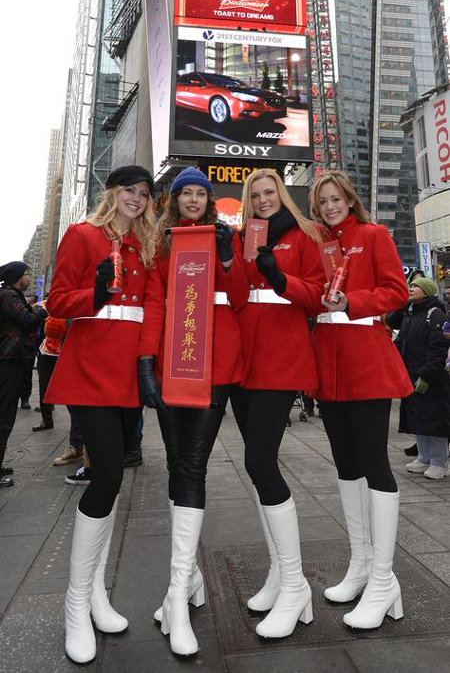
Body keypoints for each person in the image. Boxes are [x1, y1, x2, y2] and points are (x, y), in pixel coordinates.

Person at [44, 164, 160, 664]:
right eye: (129, 191)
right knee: (107, 472)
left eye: (143, 193)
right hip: (91, 367)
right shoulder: (82, 234)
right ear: (111, 193)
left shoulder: (146, 244)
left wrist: (148, 362)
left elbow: (152, 307)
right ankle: (76, 604)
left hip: (127, 373)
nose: (136, 199)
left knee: (113, 480)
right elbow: (56, 300)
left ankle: (94, 593)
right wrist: (92, 294)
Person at [141, 167, 248, 656]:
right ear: (174, 198)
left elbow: (242, 298)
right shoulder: (160, 244)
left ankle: (176, 596)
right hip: (172, 367)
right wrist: (146, 361)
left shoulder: (227, 237)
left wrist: (228, 257)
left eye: (200, 192)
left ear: (209, 199)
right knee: (177, 460)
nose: (192, 198)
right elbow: (156, 305)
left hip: (215, 367)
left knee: (193, 464)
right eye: (185, 191)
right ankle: (189, 579)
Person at [308, 169, 412, 630]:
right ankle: (361, 565)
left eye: (336, 199)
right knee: (346, 465)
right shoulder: (317, 245)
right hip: (328, 366)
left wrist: (350, 301)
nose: (330, 207)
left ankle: (385, 578)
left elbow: (396, 291)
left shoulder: (374, 235)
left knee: (374, 463)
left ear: (350, 199)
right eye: (322, 202)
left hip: (367, 361)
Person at [231, 168, 324, 640]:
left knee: (260, 462)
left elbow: (319, 297)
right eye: (257, 195)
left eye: (271, 193)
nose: (264, 200)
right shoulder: (247, 235)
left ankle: (294, 583)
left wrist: (279, 277)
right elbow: (237, 296)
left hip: (281, 363)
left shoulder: (304, 234)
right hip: (246, 363)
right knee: (257, 466)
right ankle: (278, 573)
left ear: (282, 195)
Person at [388, 276, 450, 479]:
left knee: (435, 421)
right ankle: (423, 457)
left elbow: (438, 349)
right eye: (411, 286)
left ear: (428, 292)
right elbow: (393, 326)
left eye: (416, 287)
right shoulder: (410, 314)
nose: (411, 288)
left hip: (430, 378)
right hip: (411, 374)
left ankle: (439, 462)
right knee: (419, 420)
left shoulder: (436, 314)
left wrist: (425, 375)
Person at [0, 262, 46, 487]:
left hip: (12, 359)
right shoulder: (9, 295)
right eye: (27, 274)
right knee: (4, 417)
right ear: (18, 277)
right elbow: (27, 320)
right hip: (9, 360)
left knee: (6, 415)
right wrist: (41, 309)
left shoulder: (11, 295)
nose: (29, 277)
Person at [32, 315, 68, 431]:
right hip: (48, 352)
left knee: (69, 391)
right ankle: (47, 420)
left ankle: (78, 426)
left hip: (64, 352)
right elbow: (49, 330)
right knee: (44, 387)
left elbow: (52, 329)